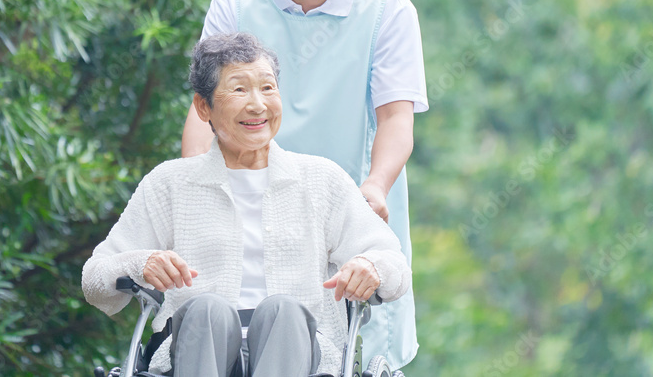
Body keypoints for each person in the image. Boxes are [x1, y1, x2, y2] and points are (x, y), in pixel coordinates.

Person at [181, 0, 428, 369]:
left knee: (351, 351)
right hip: (249, 204)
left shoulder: (386, 8)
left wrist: (376, 187)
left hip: (350, 214)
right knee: (236, 341)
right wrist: (192, 189)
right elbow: (204, 112)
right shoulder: (234, 6)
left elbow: (396, 118)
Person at [83, 33, 411, 377]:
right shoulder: (170, 183)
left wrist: (371, 267)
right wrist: (141, 263)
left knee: (283, 311)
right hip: (194, 351)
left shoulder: (322, 180)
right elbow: (95, 279)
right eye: (239, 89)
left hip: (302, 353)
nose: (257, 105)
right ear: (203, 106)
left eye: (267, 88)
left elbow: (394, 265)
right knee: (207, 310)